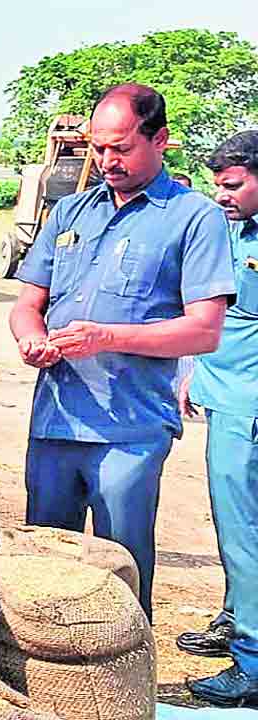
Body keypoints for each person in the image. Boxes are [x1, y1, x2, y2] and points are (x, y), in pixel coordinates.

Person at [7, 84, 233, 620]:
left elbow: (204, 332)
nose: (107, 161)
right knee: (40, 567)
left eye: (121, 148)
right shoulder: (69, 213)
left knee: (121, 571)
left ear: (160, 140)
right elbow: (26, 305)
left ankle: (125, 687)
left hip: (129, 428)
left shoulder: (193, 218)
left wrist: (107, 338)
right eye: (99, 148)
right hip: (56, 422)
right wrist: (30, 338)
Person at [177, 130, 258, 706]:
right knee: (234, 529)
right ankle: (237, 616)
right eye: (218, 185)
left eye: (233, 185)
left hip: (249, 406)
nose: (222, 195)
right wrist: (193, 373)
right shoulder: (230, 229)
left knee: (245, 533)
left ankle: (252, 664)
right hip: (223, 393)